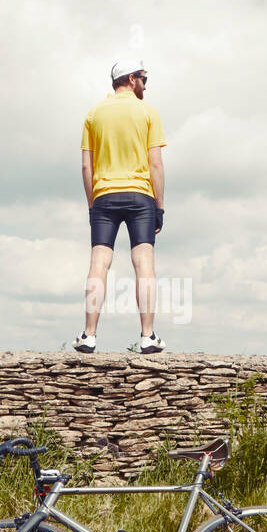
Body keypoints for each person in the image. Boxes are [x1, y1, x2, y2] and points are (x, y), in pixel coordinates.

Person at [73, 59, 167, 354]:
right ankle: (148, 336)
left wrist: (93, 204)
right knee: (144, 265)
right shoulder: (148, 113)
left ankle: (89, 335)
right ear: (131, 79)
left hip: (104, 197)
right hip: (141, 197)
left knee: (99, 264)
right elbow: (155, 163)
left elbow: (86, 167)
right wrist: (159, 206)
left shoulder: (93, 114)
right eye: (144, 79)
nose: (146, 85)